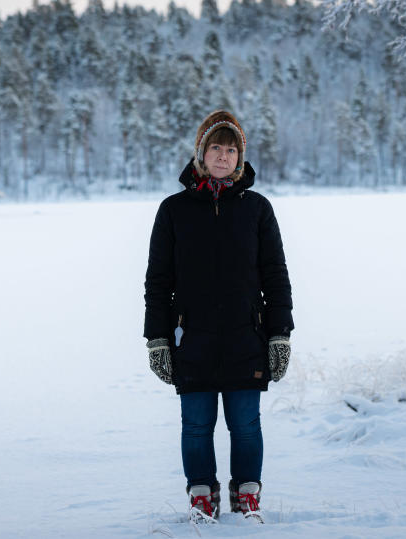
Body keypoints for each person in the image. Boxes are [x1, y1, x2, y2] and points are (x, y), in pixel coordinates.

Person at [143, 110, 294, 523]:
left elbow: (275, 274)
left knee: (245, 425)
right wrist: (157, 338)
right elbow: (158, 281)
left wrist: (280, 333)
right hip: (192, 339)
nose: (224, 156)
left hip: (247, 337)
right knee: (196, 426)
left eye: (232, 149)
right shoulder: (173, 210)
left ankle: (247, 496)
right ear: (201, 153)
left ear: (240, 157)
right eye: (216, 147)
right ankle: (202, 499)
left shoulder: (258, 209)